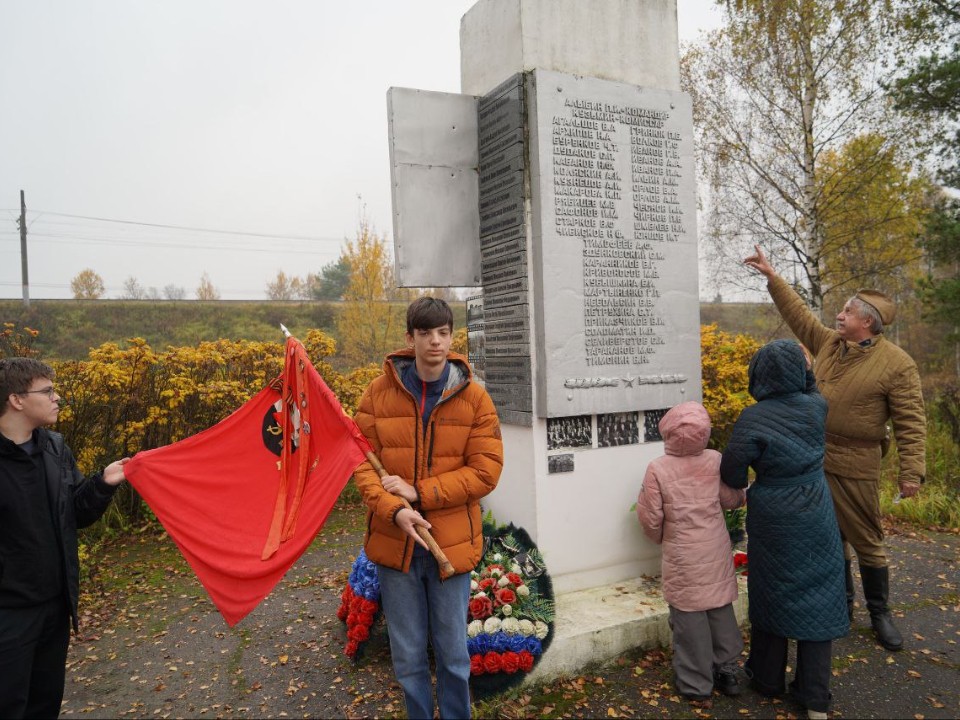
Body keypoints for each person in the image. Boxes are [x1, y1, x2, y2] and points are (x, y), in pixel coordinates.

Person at [744, 245, 926, 651]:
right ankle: (841, 605)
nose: (839, 316)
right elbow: (798, 314)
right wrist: (772, 277)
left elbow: (911, 421)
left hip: (858, 462)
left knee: (866, 537)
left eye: (846, 311)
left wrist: (911, 472)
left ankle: (880, 613)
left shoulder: (898, 364)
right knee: (828, 536)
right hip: (813, 458)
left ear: (867, 322)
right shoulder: (828, 343)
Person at [352, 297, 503, 719]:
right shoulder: (378, 394)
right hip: (395, 545)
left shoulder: (475, 398)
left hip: (450, 546)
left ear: (451, 337)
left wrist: (419, 492)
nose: (435, 341)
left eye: (442, 332)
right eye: (425, 333)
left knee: (453, 655)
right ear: (410, 337)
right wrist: (394, 510)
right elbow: (362, 463)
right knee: (408, 658)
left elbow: (485, 472)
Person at [721, 339, 848, 720]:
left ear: (757, 375)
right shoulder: (816, 406)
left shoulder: (753, 418)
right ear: (801, 372)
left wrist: (743, 482)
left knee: (772, 588)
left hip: (773, 511)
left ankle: (766, 678)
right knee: (820, 594)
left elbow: (732, 471)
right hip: (816, 505)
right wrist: (805, 368)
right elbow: (812, 387)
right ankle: (814, 696)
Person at [0, 357, 128, 719]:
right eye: (48, 391)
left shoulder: (55, 449)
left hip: (54, 608)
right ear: (16, 400)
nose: (57, 398)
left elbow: (76, 514)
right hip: (8, 616)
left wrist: (103, 483)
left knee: (44, 705)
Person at [636, 401, 747, 702]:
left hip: (682, 553)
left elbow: (650, 517)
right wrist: (741, 496)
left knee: (689, 618)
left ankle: (695, 684)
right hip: (715, 549)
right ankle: (727, 671)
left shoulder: (658, 468)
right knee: (719, 608)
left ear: (667, 431)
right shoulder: (714, 460)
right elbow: (730, 499)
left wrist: (661, 538)